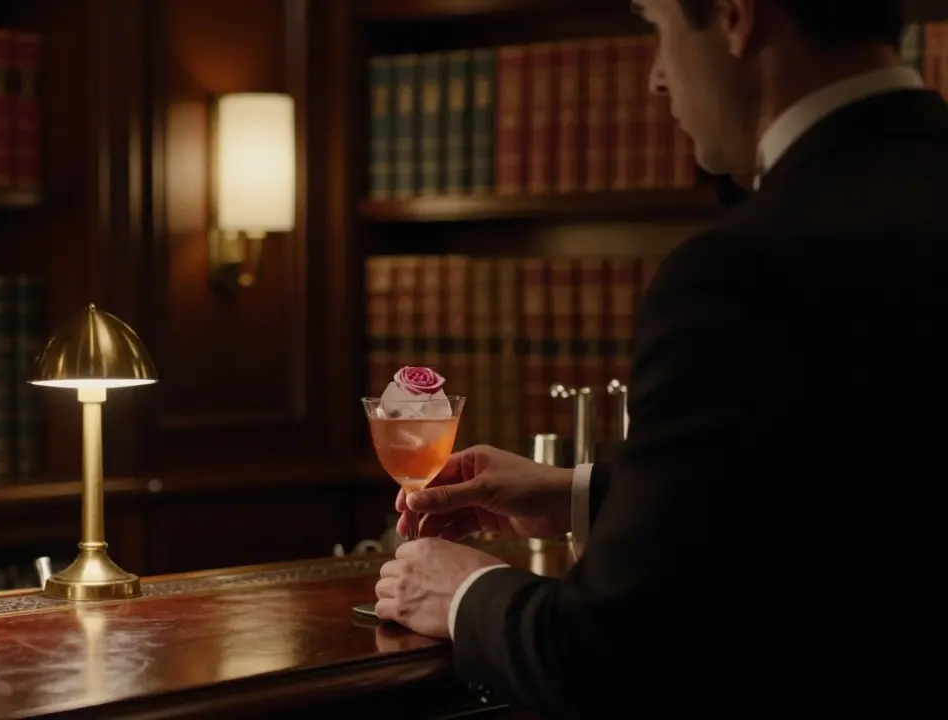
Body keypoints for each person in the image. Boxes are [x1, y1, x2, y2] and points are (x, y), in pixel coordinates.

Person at [372, 1, 945, 717]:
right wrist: (579, 495)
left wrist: (460, 593)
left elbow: (615, 658)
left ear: (736, 17)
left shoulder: (740, 270)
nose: (655, 78)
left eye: (659, 28)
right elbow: (854, 494)